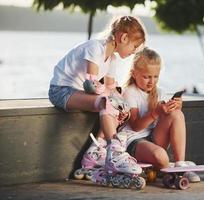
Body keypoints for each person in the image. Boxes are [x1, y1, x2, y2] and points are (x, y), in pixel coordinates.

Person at [48, 15, 146, 176]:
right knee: (106, 103)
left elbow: (110, 88)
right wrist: (110, 97)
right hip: (61, 90)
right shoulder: (95, 48)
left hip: (77, 93)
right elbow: (90, 85)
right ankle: (115, 152)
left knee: (116, 108)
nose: (134, 51)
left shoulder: (112, 59)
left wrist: (122, 104)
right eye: (134, 46)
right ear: (124, 37)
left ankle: (95, 153)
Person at [122, 47, 200, 182]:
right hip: (134, 141)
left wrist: (174, 107)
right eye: (146, 77)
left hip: (154, 137)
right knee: (161, 156)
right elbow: (135, 126)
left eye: (155, 77)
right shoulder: (130, 92)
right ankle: (166, 167)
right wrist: (155, 112)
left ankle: (180, 165)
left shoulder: (159, 92)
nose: (151, 81)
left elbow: (167, 118)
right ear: (134, 74)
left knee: (177, 114)